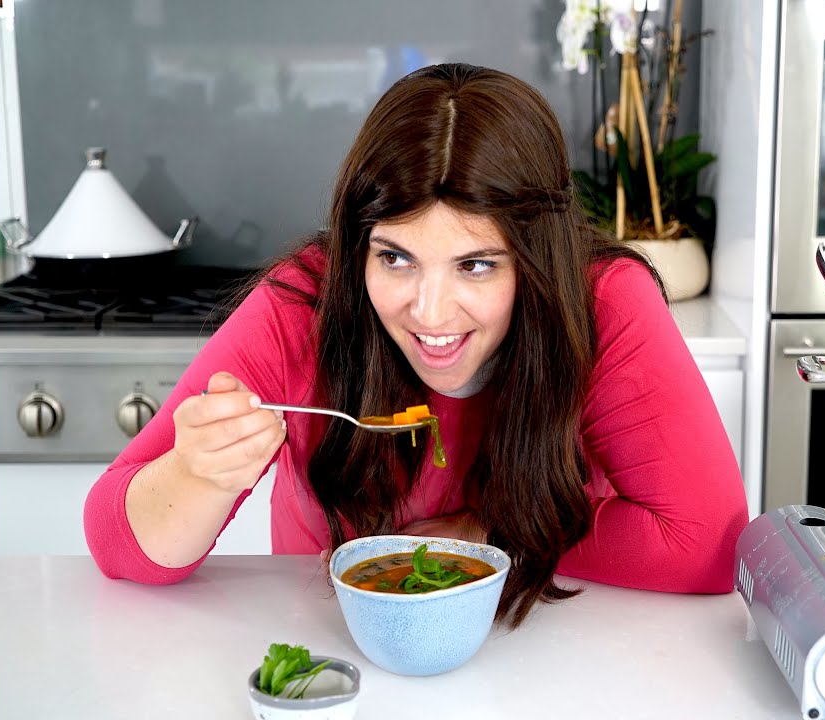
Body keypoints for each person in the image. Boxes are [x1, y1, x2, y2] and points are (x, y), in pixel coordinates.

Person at [84, 62, 750, 628]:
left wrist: (484, 534)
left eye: (478, 265)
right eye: (395, 259)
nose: (429, 314)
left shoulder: (602, 302)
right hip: (331, 646)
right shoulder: (303, 306)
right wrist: (195, 475)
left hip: (552, 646)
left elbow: (705, 545)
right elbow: (118, 544)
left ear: (536, 260)